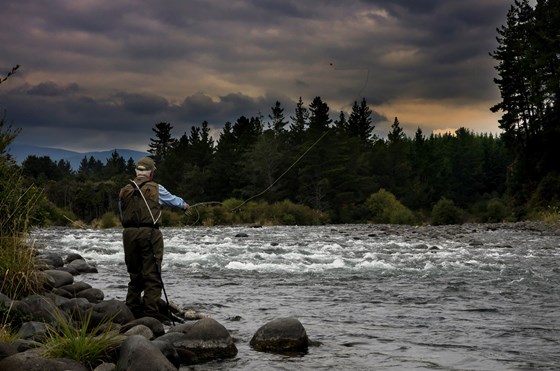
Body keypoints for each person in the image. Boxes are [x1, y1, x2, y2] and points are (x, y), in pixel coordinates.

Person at [118, 156, 189, 320]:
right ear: (151, 173)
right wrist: (185, 206)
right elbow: (173, 201)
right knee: (152, 276)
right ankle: (150, 315)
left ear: (137, 171)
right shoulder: (156, 188)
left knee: (135, 275)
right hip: (150, 234)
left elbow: (122, 214)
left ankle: (131, 312)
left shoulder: (124, 190)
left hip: (128, 234)